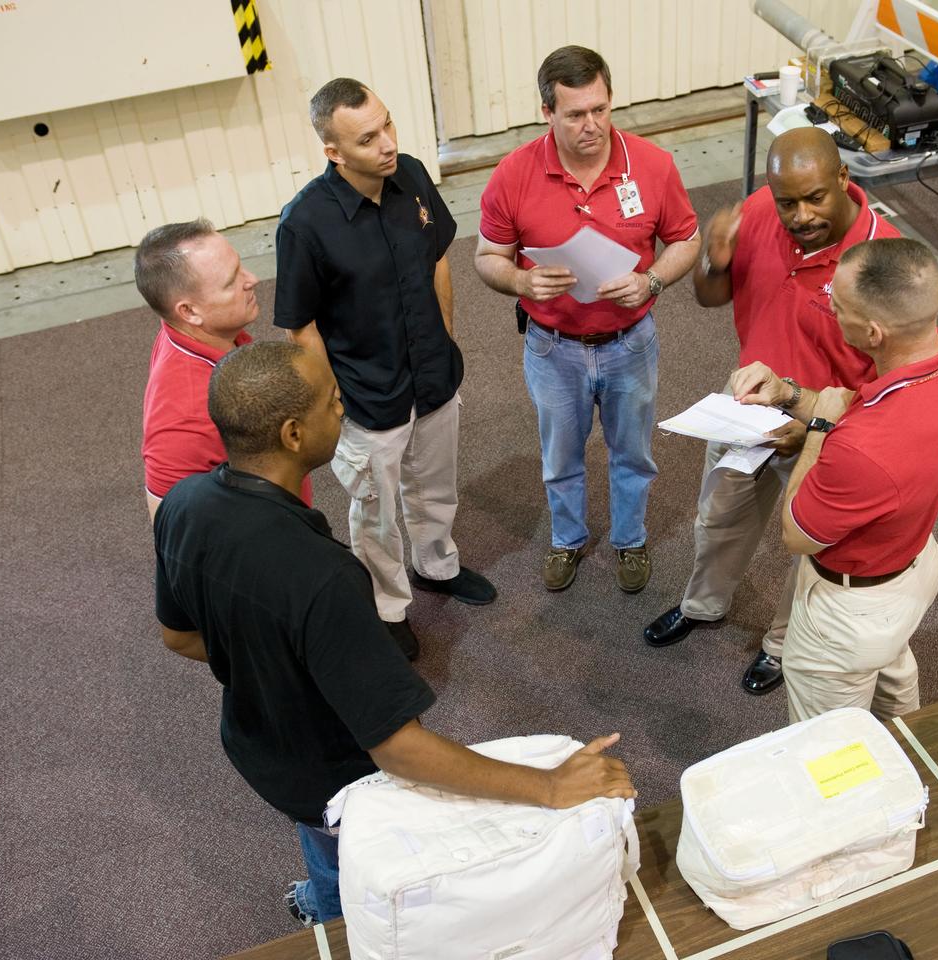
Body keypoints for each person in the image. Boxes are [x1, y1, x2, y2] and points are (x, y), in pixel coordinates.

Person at [153, 340, 635, 927]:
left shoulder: (182, 504)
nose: (344, 408)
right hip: (340, 782)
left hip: (256, 746)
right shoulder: (325, 577)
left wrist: (267, 659)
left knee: (315, 833)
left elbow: (177, 636)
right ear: (292, 434)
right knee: (349, 869)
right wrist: (550, 785)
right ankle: (331, 911)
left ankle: (320, 894)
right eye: (332, 402)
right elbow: (399, 748)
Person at [642, 128, 899, 696]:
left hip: (828, 430)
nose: (800, 215)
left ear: (844, 181)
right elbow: (712, 296)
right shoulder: (761, 212)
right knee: (718, 520)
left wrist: (808, 421)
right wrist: (716, 257)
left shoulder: (883, 262)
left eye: (815, 199)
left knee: (809, 550)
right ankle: (702, 607)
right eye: (788, 202)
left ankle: (782, 646)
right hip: (746, 406)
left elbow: (894, 386)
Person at [275, 78, 495, 660]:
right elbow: (301, 329)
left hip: (434, 377)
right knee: (375, 511)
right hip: (367, 398)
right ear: (334, 152)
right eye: (368, 138)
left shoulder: (415, 176)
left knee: (436, 485)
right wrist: (329, 402)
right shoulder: (304, 225)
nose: (387, 144)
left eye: (388, 125)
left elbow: (437, 262)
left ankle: (436, 565)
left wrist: (445, 340)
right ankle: (388, 605)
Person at [475, 46, 700, 593]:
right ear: (547, 112)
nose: (592, 125)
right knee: (561, 456)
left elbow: (686, 240)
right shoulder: (514, 174)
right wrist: (523, 281)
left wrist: (652, 281)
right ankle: (567, 539)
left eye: (600, 109)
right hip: (554, 347)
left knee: (634, 453)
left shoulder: (651, 164)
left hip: (631, 342)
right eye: (575, 114)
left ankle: (629, 540)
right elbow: (486, 258)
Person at [729, 238, 938, 722]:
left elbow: (796, 535)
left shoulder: (862, 450)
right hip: (911, 568)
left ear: (872, 332)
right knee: (895, 693)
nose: (829, 310)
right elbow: (850, 404)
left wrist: (818, 429)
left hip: (849, 614)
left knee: (829, 749)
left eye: (836, 306)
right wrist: (788, 393)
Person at [137, 220, 312, 519]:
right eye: (231, 282)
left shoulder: (191, 331)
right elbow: (171, 524)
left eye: (241, 266)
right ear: (189, 312)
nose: (252, 279)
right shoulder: (189, 418)